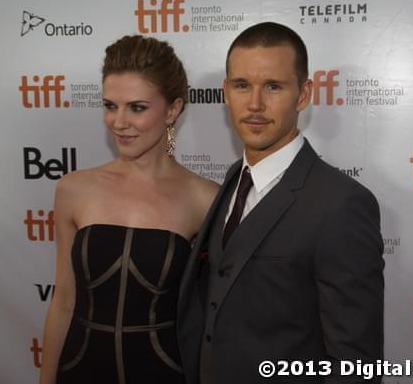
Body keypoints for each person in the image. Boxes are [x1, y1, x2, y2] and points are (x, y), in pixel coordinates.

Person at [177, 22, 384, 384]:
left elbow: (355, 366)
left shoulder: (342, 204)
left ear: (303, 96)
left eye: (273, 86)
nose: (254, 104)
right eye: (242, 86)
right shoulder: (231, 181)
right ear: (226, 92)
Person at [39, 35, 218, 384]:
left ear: (172, 109)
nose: (119, 122)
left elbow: (211, 317)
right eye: (110, 105)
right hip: (79, 371)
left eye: (136, 107)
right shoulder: (73, 189)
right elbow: (63, 301)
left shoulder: (205, 199)